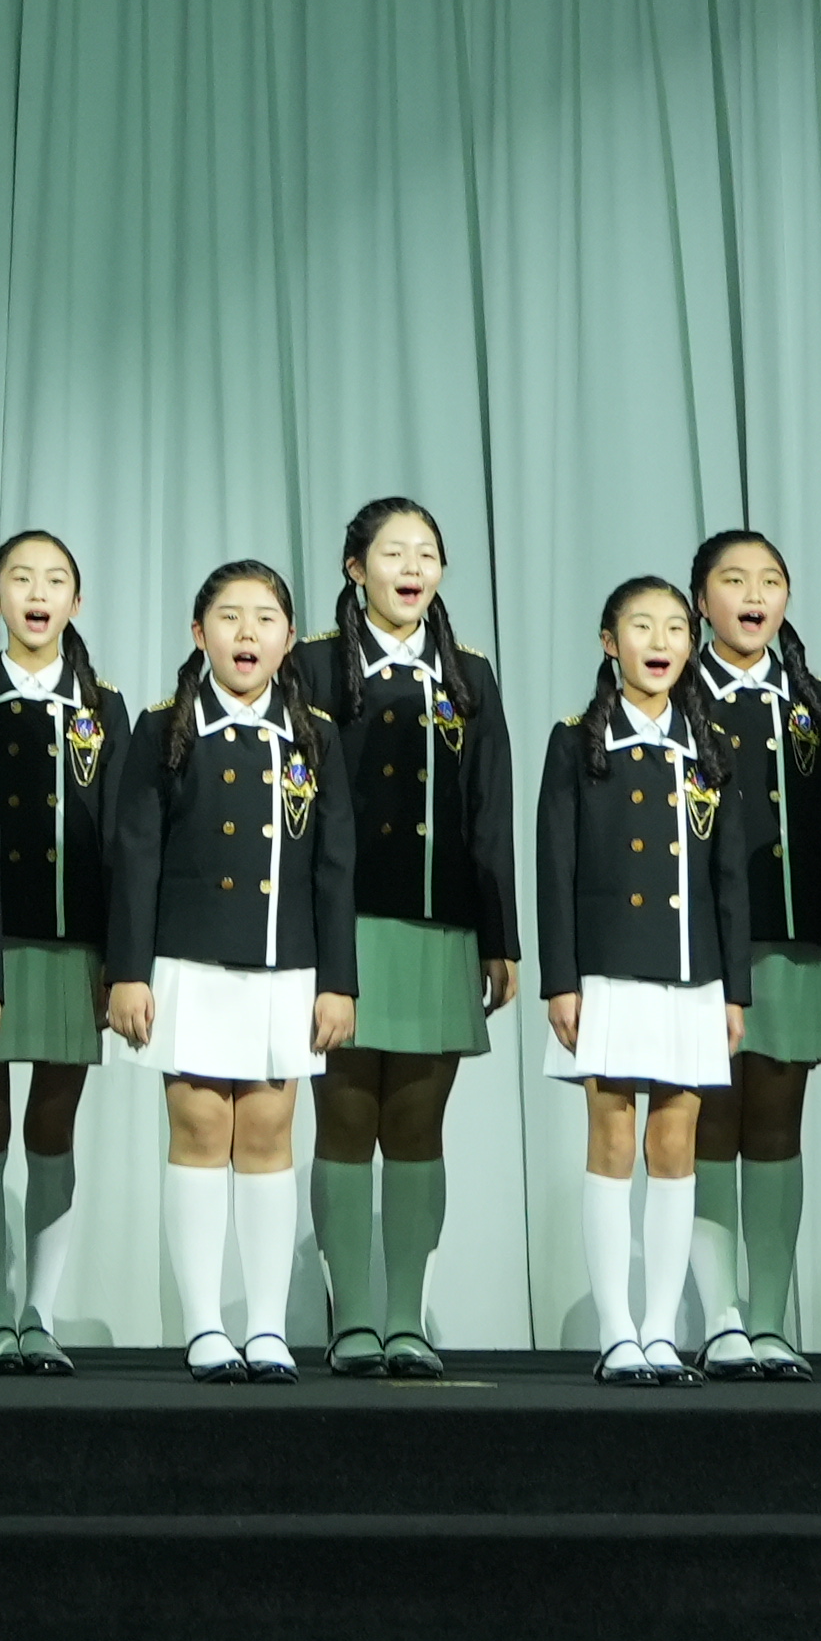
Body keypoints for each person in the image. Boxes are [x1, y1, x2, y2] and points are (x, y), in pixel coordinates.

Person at [102, 557, 344, 1384]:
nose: (248, 632)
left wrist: (337, 980)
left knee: (271, 1136)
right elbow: (134, 857)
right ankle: (206, 1326)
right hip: (188, 965)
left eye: (266, 617)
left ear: (288, 636)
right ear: (197, 633)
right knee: (203, 1132)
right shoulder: (164, 725)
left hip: (286, 968)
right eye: (230, 617)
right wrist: (128, 973)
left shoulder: (315, 733)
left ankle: (268, 1327)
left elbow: (333, 867)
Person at [300, 497, 516, 1377]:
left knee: (419, 1123)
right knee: (347, 1118)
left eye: (427, 552)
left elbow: (490, 812)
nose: (413, 566)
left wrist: (499, 938)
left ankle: (405, 1318)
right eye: (395, 552)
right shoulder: (312, 667)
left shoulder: (468, 673)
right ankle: (352, 1317)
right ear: (357, 569)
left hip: (440, 926)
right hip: (341, 929)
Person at [533, 573, 739, 1386]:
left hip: (693, 976)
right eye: (641, 627)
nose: (661, 643)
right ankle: (617, 1330)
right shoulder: (577, 740)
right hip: (608, 973)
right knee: (613, 1138)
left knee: (676, 1144)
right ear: (608, 642)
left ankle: (661, 1329)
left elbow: (728, 877)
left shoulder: (709, 745)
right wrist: (563, 980)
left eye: (675, 629)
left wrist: (733, 992)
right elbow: (555, 866)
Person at [688, 526, 821, 1377]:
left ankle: (768, 1319)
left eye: (769, 579)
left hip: (800, 938)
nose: (753, 594)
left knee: (776, 1124)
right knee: (709, 1122)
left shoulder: (815, 701)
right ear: (702, 600)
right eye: (733, 579)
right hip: (704, 945)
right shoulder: (677, 693)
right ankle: (718, 1314)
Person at [0, 531, 126, 1374]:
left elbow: (127, 843)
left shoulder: (105, 707)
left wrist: (121, 960)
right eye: (20, 578)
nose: (38, 592)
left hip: (73, 942)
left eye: (56, 579)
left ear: (76, 603)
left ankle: (39, 1313)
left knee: (53, 1120)